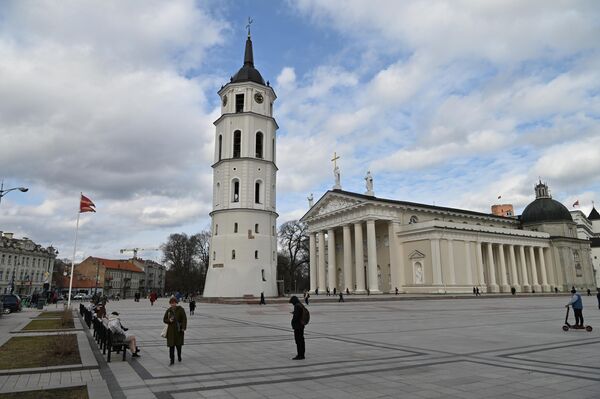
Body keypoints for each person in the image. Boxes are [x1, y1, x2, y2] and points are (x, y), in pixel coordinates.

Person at [163, 296, 187, 365]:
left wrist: (183, 327)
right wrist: (169, 320)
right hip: (171, 332)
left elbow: (184, 319)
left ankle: (179, 356)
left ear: (176, 303)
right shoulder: (169, 310)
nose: (172, 304)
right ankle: (172, 360)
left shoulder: (181, 309)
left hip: (179, 330)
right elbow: (164, 319)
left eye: (174, 303)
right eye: (171, 303)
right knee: (171, 346)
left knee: (178, 346)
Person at [289, 296, 305, 360]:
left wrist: (292, 322)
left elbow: (296, 317)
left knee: (298, 341)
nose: (292, 304)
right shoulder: (300, 304)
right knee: (301, 340)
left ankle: (300, 355)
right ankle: (302, 354)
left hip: (298, 326)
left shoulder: (297, 306)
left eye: (292, 302)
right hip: (301, 325)